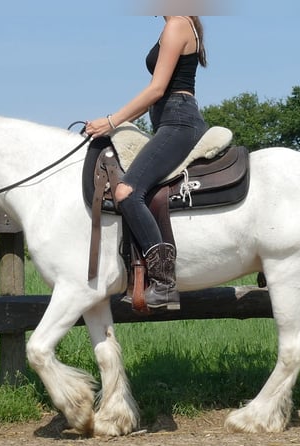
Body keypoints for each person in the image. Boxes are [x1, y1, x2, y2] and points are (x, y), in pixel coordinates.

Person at [85, 16, 208, 311]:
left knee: (127, 191)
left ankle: (163, 284)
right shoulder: (178, 24)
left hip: (179, 122)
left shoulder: (177, 23)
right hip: (169, 120)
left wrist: (111, 121)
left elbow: (156, 89)